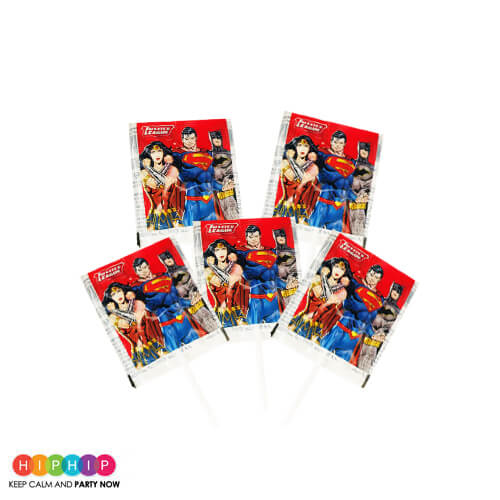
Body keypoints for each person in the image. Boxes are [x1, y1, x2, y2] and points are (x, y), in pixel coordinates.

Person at [129, 258, 203, 352]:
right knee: (175, 352)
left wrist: (189, 302)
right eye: (140, 270)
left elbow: (176, 297)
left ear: (148, 266)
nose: (143, 271)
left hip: (182, 319)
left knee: (199, 346)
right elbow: (151, 305)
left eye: (144, 267)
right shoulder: (138, 288)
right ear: (136, 273)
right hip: (167, 323)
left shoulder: (164, 276)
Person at [320, 264, 385, 362]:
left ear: (379, 280)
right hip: (341, 329)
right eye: (371, 275)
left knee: (339, 365)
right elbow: (348, 304)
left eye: (376, 277)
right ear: (367, 273)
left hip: (353, 338)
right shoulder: (355, 282)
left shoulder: (379, 298)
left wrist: (372, 334)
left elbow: (367, 320)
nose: (372, 279)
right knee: (319, 351)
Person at [233, 225, 298, 323]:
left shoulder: (271, 251)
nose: (253, 239)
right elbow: (247, 274)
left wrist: (286, 285)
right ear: (246, 238)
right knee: (254, 330)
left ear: (260, 236)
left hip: (273, 301)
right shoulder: (241, 253)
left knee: (277, 329)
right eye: (250, 237)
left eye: (256, 236)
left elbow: (274, 276)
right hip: (257, 300)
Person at [308, 131, 365, 231]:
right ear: (331, 142)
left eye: (340, 143)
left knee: (335, 238)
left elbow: (346, 186)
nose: (337, 145)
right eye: (335, 142)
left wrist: (355, 198)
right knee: (309, 233)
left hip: (338, 209)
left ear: (344, 144)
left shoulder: (351, 161)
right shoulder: (322, 154)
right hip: (324, 205)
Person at [172, 127, 231, 225]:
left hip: (210, 202)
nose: (189, 141)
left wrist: (222, 187)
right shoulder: (177, 155)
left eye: (192, 138)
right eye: (186, 139)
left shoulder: (207, 153)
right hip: (193, 202)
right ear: (182, 140)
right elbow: (183, 177)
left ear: (196, 138)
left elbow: (210, 179)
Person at [102, 282, 166, 368]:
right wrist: (115, 312)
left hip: (155, 344)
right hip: (140, 351)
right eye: (113, 294)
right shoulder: (113, 317)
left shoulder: (137, 303)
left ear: (124, 291)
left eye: (119, 291)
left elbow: (150, 318)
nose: (118, 295)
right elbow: (127, 325)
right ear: (111, 299)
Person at [158, 250, 218, 333]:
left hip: (198, 297)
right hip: (187, 304)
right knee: (200, 324)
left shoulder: (185, 268)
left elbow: (196, 282)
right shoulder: (166, 277)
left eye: (169, 257)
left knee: (210, 317)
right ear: (163, 261)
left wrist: (197, 292)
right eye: (165, 259)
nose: (168, 259)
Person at [273, 135, 319, 223]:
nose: (302, 149)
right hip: (284, 208)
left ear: (309, 149)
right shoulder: (285, 162)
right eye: (299, 145)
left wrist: (291, 159)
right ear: (294, 147)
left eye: (306, 146)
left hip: (301, 212)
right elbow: (292, 177)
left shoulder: (313, 167)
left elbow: (303, 179)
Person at [140, 142, 184, 229]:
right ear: (149, 155)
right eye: (153, 152)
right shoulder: (144, 172)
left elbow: (166, 182)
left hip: (173, 216)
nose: (157, 154)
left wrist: (149, 168)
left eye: (159, 151)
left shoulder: (172, 169)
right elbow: (154, 184)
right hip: (154, 216)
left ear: (164, 152)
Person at [204, 239, 247, 327]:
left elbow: (230, 280)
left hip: (237, 313)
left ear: (228, 250)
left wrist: (232, 263)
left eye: (223, 249)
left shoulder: (236, 267)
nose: (221, 253)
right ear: (213, 253)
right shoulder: (208, 270)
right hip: (220, 313)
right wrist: (212, 266)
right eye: (217, 250)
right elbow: (218, 282)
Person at [209, 130, 238, 219]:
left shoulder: (229, 154)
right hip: (215, 192)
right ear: (211, 139)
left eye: (219, 137)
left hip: (229, 189)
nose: (217, 139)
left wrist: (230, 180)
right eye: (214, 137)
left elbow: (234, 171)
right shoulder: (209, 155)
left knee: (232, 213)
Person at [349, 142, 373, 234]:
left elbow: (370, 185)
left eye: (367, 150)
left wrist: (365, 194)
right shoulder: (352, 163)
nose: (364, 151)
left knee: (360, 222)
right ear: (359, 149)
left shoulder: (372, 167)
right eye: (362, 149)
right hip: (349, 198)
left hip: (363, 200)